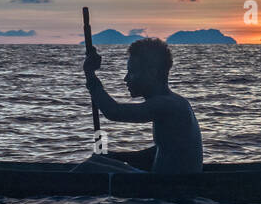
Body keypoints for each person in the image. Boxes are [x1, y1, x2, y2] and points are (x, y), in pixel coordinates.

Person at [81, 36, 203, 173]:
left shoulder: (166, 104)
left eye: (132, 72)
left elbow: (113, 111)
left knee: (90, 166)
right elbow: (160, 151)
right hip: (167, 182)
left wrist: (90, 74)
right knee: (99, 161)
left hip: (167, 186)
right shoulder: (177, 102)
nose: (126, 78)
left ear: (152, 72)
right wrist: (114, 156)